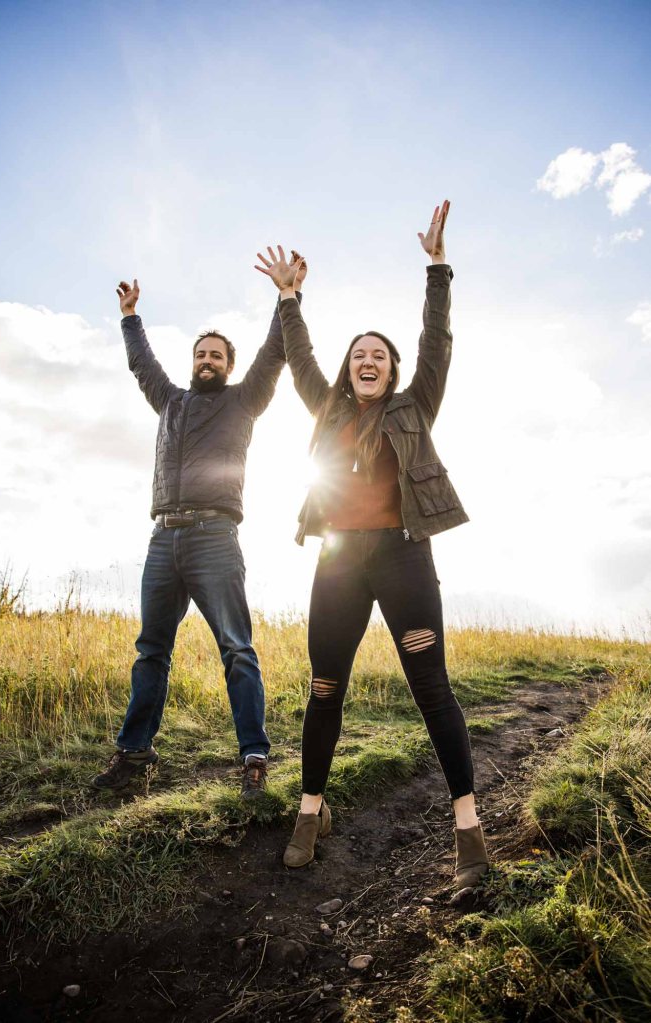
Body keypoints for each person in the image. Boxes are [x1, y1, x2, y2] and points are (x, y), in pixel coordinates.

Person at [254, 206, 489, 891]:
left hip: (401, 556)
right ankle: (309, 809)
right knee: (325, 687)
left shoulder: (416, 405)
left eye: (377, 356)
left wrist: (438, 268)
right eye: (358, 354)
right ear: (349, 368)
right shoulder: (327, 408)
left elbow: (435, 342)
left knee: (432, 689)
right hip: (337, 562)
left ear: (390, 371)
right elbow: (299, 357)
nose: (367, 361)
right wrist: (289, 298)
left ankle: (468, 827)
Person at [92, 263, 305, 797]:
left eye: (216, 355)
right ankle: (134, 753)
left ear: (228, 366)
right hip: (164, 538)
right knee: (151, 651)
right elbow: (142, 366)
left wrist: (288, 297)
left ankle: (254, 755)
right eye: (200, 354)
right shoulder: (171, 401)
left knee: (236, 648)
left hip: (215, 538)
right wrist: (130, 318)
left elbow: (274, 355)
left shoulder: (243, 401)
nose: (206, 361)